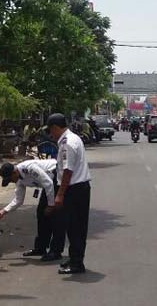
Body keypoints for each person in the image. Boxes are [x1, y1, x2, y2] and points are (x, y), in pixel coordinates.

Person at [0, 160, 66, 261]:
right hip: (48, 184)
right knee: (41, 214)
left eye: (10, 179)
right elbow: (18, 200)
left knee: (55, 217)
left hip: (56, 176)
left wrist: (50, 205)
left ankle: (56, 251)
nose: (11, 182)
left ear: (14, 172)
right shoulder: (18, 179)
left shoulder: (29, 168)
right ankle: (41, 248)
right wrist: (3, 211)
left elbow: (48, 183)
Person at [47, 113, 92, 275]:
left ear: (55, 128)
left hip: (74, 190)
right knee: (75, 227)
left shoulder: (67, 143)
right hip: (79, 188)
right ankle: (75, 258)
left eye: (51, 131)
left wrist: (60, 194)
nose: (51, 135)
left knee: (75, 228)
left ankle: (77, 264)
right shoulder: (74, 138)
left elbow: (67, 170)